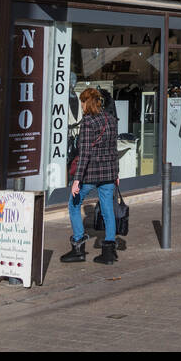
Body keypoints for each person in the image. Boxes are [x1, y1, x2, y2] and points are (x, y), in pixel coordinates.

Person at [62, 87, 120, 264]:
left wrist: (76, 180)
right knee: (108, 209)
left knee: (73, 204)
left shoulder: (88, 122)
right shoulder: (110, 119)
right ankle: (109, 252)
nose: (81, 105)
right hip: (109, 172)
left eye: (82, 102)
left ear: (87, 102)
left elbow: (85, 153)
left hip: (91, 173)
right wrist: (116, 173)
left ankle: (78, 246)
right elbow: (113, 149)